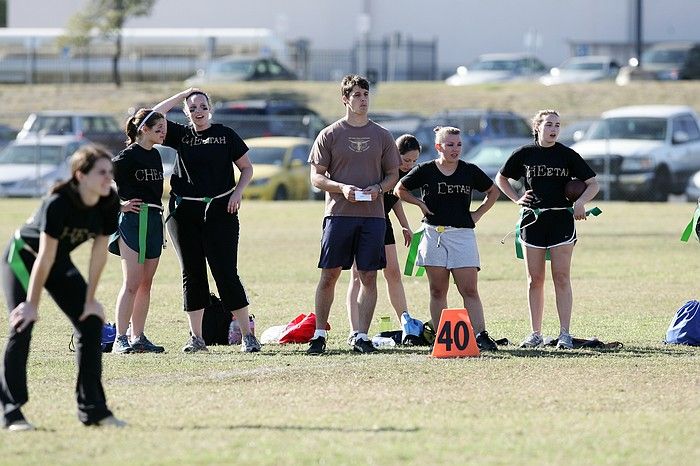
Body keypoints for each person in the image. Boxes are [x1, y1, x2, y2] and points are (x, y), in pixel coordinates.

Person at [1, 146, 126, 431]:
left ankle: (93, 410)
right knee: (23, 323)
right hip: (22, 256)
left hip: (55, 260)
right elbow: (43, 256)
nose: (109, 178)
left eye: (110, 172)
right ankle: (11, 412)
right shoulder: (58, 202)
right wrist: (32, 304)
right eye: (101, 173)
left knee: (91, 322)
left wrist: (90, 300)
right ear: (80, 176)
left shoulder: (109, 201)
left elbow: (98, 253)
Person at [151, 89, 261, 353]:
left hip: (221, 211)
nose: (198, 111)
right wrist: (183, 94)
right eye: (192, 107)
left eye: (202, 106)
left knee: (225, 272)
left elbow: (247, 168)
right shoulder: (180, 134)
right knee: (193, 273)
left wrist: (237, 193)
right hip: (184, 214)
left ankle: (248, 336)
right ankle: (197, 339)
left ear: (210, 108)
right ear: (186, 112)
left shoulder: (225, 134)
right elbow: (153, 116)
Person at [307, 74, 400, 355]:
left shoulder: (382, 135)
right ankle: (320, 333)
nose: (362, 100)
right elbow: (316, 177)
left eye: (365, 94)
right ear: (345, 99)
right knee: (330, 275)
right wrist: (341, 188)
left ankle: (360, 335)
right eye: (357, 95)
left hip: (373, 216)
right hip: (339, 215)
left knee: (369, 276)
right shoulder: (330, 134)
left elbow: (393, 175)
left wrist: (379, 188)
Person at [495, 109, 599, 349]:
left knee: (561, 277)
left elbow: (593, 184)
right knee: (535, 280)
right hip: (533, 221)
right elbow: (500, 178)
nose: (553, 129)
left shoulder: (567, 155)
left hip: (561, 221)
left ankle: (565, 333)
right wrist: (516, 198)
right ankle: (535, 333)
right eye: (549, 124)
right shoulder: (524, 154)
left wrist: (581, 202)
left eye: (557, 125)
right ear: (538, 127)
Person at [395, 126, 500, 351]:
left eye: (459, 144)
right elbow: (399, 189)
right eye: (450, 145)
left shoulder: (469, 170)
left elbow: (494, 191)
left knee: (469, 289)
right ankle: (443, 335)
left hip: (462, 234)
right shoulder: (425, 170)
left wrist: (478, 213)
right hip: (434, 234)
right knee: (437, 290)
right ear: (438, 147)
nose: (455, 149)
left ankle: (480, 334)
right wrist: (420, 204)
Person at [345, 134, 420, 345]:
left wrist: (404, 225)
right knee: (358, 277)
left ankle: (406, 323)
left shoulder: (406, 172)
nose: (410, 165)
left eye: (414, 160)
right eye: (406, 160)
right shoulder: (380, 166)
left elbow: (394, 198)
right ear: (395, 155)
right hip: (362, 220)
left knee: (393, 272)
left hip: (382, 221)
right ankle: (355, 329)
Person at [109, 108, 167, 354]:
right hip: (133, 220)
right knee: (132, 282)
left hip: (154, 219)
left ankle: (138, 336)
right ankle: (120, 338)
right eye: (158, 128)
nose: (164, 132)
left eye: (164, 128)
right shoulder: (127, 157)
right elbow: (98, 179)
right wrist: (118, 204)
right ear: (143, 129)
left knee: (145, 283)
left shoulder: (154, 155)